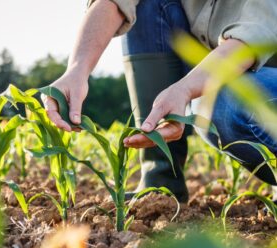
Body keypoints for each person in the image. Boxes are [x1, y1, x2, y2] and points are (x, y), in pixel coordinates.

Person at [42, 0, 277, 202]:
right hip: (216, 66)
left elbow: (251, 39)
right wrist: (77, 70)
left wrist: (185, 89)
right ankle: (160, 182)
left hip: (261, 72)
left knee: (224, 103)